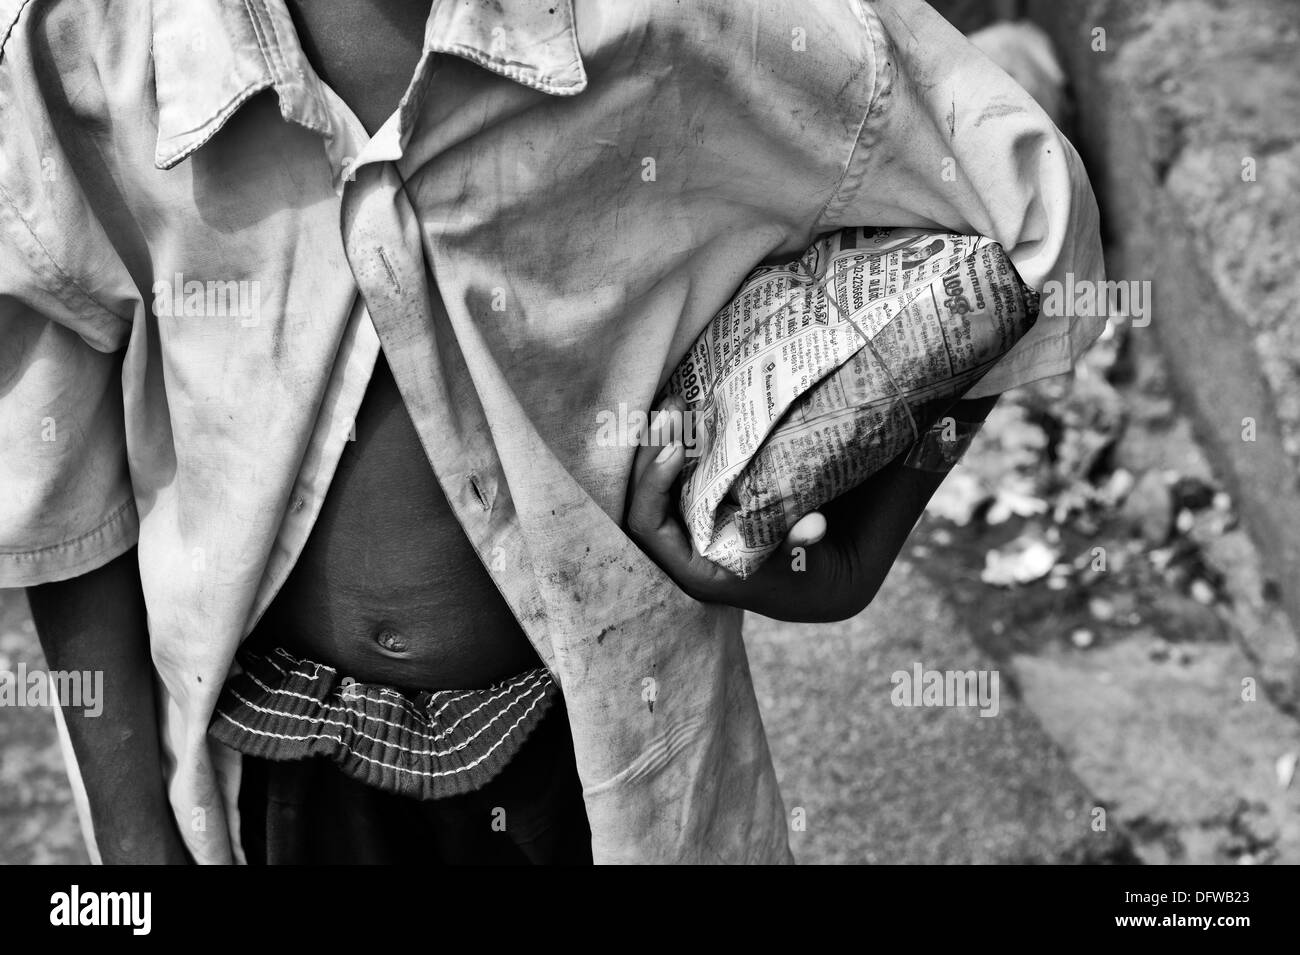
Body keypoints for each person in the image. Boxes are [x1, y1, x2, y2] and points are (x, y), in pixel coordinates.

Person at [0, 0, 1104, 864]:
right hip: (277, 755)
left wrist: (855, 544)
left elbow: (1027, 200)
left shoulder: (679, 17)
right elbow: (57, 432)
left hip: (597, 762)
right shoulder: (94, 33)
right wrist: (132, 848)